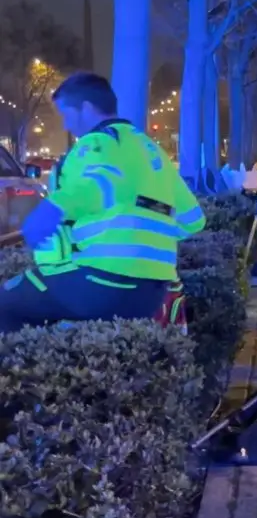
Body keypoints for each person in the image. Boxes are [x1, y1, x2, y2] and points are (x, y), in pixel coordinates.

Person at [0, 73, 206, 330]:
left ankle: (31, 368)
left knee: (6, 303)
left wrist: (53, 209)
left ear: (86, 108)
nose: (65, 125)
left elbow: (99, 181)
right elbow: (193, 220)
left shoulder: (96, 143)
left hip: (98, 281)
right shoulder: (151, 149)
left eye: (66, 114)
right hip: (152, 292)